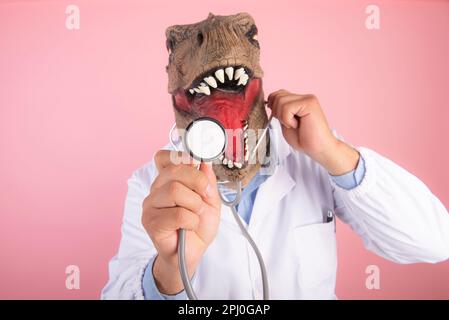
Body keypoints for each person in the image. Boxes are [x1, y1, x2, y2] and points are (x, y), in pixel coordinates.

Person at [102, 90, 449, 300]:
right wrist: (173, 267)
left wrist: (333, 152)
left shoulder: (313, 156)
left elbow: (434, 241)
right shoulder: (153, 182)